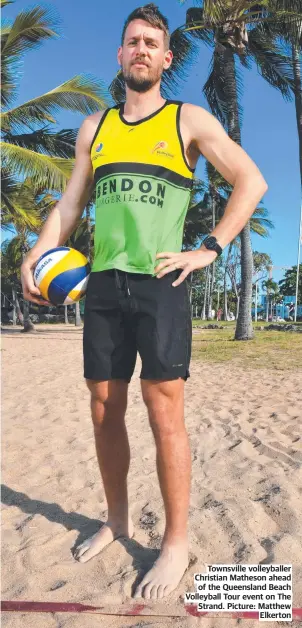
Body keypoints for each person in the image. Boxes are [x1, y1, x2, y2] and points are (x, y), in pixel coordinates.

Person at [21, 3, 268, 600]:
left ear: (165, 58)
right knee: (104, 409)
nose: (141, 49)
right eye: (132, 41)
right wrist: (38, 251)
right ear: (120, 54)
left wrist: (209, 247)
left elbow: (251, 180)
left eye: (151, 43)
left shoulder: (188, 120)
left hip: (162, 284)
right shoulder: (95, 129)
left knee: (164, 414)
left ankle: (176, 543)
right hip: (102, 283)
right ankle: (117, 519)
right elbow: (71, 206)